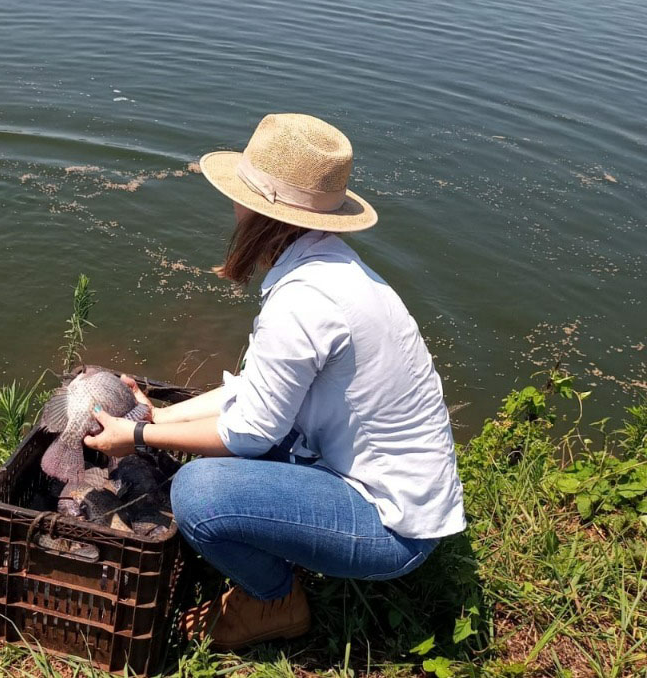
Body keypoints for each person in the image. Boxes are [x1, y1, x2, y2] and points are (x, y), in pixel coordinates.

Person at [83, 113, 466, 651]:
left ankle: (276, 601)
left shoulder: (303, 303)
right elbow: (256, 392)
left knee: (199, 492)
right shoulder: (331, 267)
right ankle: (283, 545)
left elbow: (249, 434)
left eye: (239, 198)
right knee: (224, 454)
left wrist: (139, 436)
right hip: (385, 484)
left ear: (259, 211)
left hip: (391, 529)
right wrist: (159, 414)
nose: (233, 208)